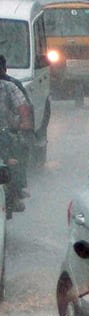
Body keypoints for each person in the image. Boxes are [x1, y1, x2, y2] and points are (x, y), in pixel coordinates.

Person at [0, 54, 31, 210]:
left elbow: (23, 106)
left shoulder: (10, 86)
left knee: (18, 152)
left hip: (6, 132)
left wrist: (24, 123)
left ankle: (17, 190)